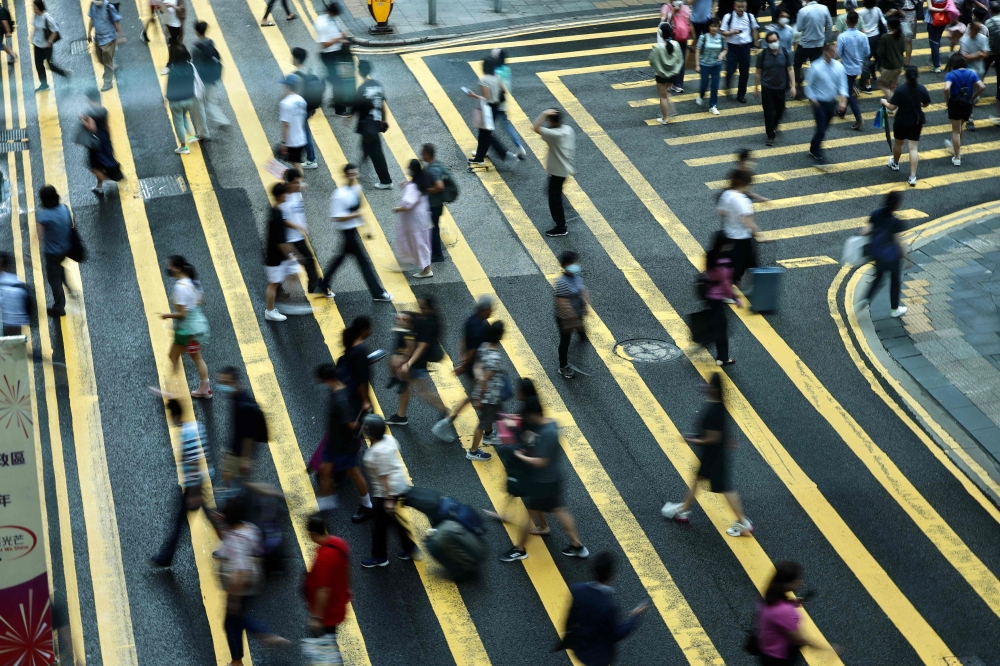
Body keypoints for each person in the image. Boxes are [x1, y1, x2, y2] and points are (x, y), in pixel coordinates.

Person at [661, 373, 753, 536]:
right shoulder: (721, 406)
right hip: (714, 454)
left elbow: (712, 438)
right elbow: (722, 433)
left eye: (709, 384)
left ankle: (742, 522)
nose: (705, 386)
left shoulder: (713, 411)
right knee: (698, 480)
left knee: (725, 488)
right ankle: (684, 510)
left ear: (714, 389)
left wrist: (692, 440)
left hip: (713, 456)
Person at [499, 395, 588, 561]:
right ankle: (577, 546)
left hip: (542, 481)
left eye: (528, 416)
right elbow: (535, 443)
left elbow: (541, 461)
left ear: (534, 414)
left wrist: (520, 456)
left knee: (529, 515)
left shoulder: (545, 433)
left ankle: (519, 549)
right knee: (559, 509)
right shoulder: (552, 424)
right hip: (554, 477)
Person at [212, 494, 288, 666]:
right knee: (236, 619)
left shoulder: (233, 540)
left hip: (240, 586)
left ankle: (257, 641)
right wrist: (219, 522)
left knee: (232, 622)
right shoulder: (249, 528)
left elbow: (239, 571)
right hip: (256, 578)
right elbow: (255, 549)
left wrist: (234, 599)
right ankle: (262, 636)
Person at [434, 320, 509, 462]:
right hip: (489, 395)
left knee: (490, 416)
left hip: (485, 392)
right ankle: (473, 451)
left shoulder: (483, 347)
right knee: (482, 422)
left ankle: (489, 434)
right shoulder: (495, 356)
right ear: (500, 336)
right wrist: (480, 396)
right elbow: (486, 379)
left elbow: (477, 368)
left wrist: (478, 386)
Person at [559, 552, 649, 666]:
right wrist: (635, 616)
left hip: (579, 648)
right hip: (599, 657)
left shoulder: (577, 590)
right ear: (611, 574)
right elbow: (617, 634)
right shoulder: (608, 607)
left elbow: (570, 618)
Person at [319, 164, 392, 302]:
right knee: (363, 261)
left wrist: (366, 227)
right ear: (346, 175)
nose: (354, 176)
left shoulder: (357, 189)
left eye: (355, 173)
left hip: (353, 230)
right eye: (351, 174)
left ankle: (323, 284)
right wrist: (354, 216)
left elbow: (359, 211)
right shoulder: (339, 195)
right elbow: (336, 217)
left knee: (340, 258)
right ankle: (377, 293)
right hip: (347, 232)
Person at [148, 399, 207, 568]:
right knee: (209, 516)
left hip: (193, 486)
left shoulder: (187, 434)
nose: (170, 420)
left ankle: (165, 558)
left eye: (171, 416)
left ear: (176, 415)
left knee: (179, 523)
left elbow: (195, 462)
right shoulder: (195, 427)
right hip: (196, 483)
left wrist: (195, 493)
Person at [314, 363, 373, 521]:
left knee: (355, 473)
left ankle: (367, 506)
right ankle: (324, 505)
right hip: (334, 442)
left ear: (326, 380)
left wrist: (365, 424)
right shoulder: (339, 388)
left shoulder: (340, 399)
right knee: (326, 470)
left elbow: (351, 424)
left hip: (344, 445)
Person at [360, 414, 419, 568]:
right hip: (399, 484)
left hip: (387, 492)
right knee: (389, 521)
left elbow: (385, 476)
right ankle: (410, 548)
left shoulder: (374, 454)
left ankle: (380, 557)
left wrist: (388, 499)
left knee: (380, 524)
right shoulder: (389, 440)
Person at [755, 562, 842, 664]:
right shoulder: (784, 611)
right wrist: (827, 649)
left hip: (766, 649)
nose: (800, 582)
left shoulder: (767, 597)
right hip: (778, 658)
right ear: (788, 584)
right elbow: (798, 639)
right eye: (797, 580)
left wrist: (792, 603)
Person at [385, 297, 450, 426]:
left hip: (417, 362)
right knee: (407, 387)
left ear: (430, 308)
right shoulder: (428, 319)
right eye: (420, 306)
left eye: (423, 307)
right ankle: (401, 416)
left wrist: (408, 364)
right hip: (416, 361)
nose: (420, 309)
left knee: (422, 392)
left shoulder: (429, 323)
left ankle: (446, 411)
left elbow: (421, 346)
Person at [162, 255, 211, 397]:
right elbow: (201, 300)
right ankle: (205, 389)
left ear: (176, 269)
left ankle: (172, 390)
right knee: (197, 357)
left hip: (186, 329)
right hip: (197, 326)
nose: (168, 269)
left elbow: (182, 314)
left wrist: (167, 315)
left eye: (169, 267)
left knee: (173, 356)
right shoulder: (193, 282)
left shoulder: (180, 287)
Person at [857, 191, 907, 317]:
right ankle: (894, 309)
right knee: (895, 281)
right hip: (892, 258)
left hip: (877, 255)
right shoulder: (896, 222)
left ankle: (865, 299)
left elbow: (865, 231)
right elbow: (897, 242)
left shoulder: (876, 214)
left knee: (878, 277)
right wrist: (905, 257)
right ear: (896, 205)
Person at [216, 366, 268, 483]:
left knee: (228, 474)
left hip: (241, 449)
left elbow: (248, 435)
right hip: (236, 444)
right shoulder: (238, 395)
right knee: (245, 483)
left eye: (226, 383)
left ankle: (232, 496)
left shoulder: (242, 405)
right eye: (221, 382)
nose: (223, 386)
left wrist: (245, 459)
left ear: (234, 382)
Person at [304, 515, 351, 641]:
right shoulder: (339, 543)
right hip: (338, 599)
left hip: (327, 611)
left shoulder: (324, 558)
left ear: (313, 533)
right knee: (329, 641)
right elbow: (345, 567)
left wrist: (317, 618)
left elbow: (322, 590)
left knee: (326, 645)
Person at [466, 55, 518, 166]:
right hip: (496, 107)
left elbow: (486, 98)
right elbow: (504, 90)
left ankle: (504, 155)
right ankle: (480, 156)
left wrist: (473, 95)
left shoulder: (484, 80)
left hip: (487, 109)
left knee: (486, 135)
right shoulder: (497, 77)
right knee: (485, 134)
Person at [882, 66, 930, 186]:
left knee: (899, 143)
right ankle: (912, 176)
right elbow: (926, 103)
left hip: (901, 121)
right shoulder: (921, 89)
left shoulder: (901, 90)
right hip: (916, 121)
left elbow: (892, 107)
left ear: (906, 76)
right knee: (913, 148)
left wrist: (884, 102)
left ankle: (895, 163)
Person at [533, 108, 576, 238]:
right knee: (554, 193)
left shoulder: (554, 135)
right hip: (565, 169)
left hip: (558, 172)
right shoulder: (568, 129)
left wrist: (544, 113)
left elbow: (535, 127)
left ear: (551, 121)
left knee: (554, 198)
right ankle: (566, 212)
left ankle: (561, 226)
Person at [804, 41, 848, 162]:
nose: (835, 54)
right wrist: (813, 100)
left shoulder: (839, 67)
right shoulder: (816, 66)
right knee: (821, 129)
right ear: (826, 52)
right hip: (819, 103)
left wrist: (843, 101)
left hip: (831, 102)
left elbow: (843, 85)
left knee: (823, 128)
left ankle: (813, 147)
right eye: (833, 52)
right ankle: (817, 152)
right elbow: (808, 85)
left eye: (835, 51)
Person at [263, 182, 299, 322]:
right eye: (284, 194)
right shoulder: (277, 215)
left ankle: (272, 308)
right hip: (274, 257)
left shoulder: (276, 210)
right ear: (279, 196)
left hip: (274, 255)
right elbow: (280, 242)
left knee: (276, 283)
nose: (287, 196)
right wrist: (290, 255)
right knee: (273, 284)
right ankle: (270, 311)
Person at [164, 44, 209, 155]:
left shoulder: (173, 71)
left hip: (176, 101)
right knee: (183, 114)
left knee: (178, 122)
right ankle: (190, 131)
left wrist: (167, 99)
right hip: (189, 99)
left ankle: (183, 147)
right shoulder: (190, 66)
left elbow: (170, 88)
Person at [718, 169, 760, 285]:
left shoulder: (727, 194)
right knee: (751, 264)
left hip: (729, 235)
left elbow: (721, 212)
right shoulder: (742, 201)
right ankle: (753, 288)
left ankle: (729, 289)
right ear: (745, 184)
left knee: (732, 265)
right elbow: (748, 223)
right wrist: (759, 235)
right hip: (743, 239)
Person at [354, 60, 392, 190]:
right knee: (366, 147)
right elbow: (382, 104)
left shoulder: (362, 88)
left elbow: (356, 107)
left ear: (359, 71)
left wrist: (349, 116)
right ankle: (360, 170)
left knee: (376, 153)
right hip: (375, 124)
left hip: (367, 126)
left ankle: (385, 180)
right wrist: (384, 119)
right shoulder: (377, 85)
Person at [280, 169, 320, 293]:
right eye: (295, 183)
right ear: (288, 183)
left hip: (298, 236)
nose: (298, 185)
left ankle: (314, 285)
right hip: (287, 239)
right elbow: (283, 220)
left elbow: (299, 213)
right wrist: (299, 227)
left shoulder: (297, 194)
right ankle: (277, 289)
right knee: (283, 265)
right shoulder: (283, 199)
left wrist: (304, 226)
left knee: (309, 259)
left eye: (299, 183)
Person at [35, 185, 72, 317]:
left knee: (53, 280)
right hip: (66, 248)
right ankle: (66, 281)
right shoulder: (64, 208)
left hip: (52, 253)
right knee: (57, 268)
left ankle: (59, 307)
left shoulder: (42, 216)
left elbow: (40, 236)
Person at [393, 159, 433, 279]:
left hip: (414, 222)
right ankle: (405, 263)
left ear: (413, 170)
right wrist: (406, 185)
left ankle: (426, 269)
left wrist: (396, 209)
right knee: (411, 241)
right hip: (419, 220)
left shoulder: (414, 186)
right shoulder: (421, 181)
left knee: (417, 243)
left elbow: (407, 205)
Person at [754, 30, 795, 145]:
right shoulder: (762, 55)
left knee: (780, 110)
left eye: (775, 41)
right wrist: (756, 87)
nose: (773, 43)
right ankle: (770, 135)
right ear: (767, 43)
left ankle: (775, 123)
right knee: (768, 112)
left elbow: (790, 69)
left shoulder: (785, 53)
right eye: (771, 41)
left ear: (779, 40)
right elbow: (758, 72)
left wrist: (793, 86)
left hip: (781, 87)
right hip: (767, 87)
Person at [80, 87, 123, 196]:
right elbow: (107, 127)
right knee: (102, 163)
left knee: (93, 166)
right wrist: (108, 140)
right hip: (104, 139)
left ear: (89, 99)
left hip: (95, 142)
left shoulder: (90, 112)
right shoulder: (103, 110)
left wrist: (82, 120)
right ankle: (99, 186)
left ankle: (108, 180)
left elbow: (91, 128)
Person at [944, 55, 985, 165]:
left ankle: (957, 157)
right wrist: (973, 97)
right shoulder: (971, 73)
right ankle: (957, 149)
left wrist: (947, 101)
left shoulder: (951, 74)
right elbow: (982, 86)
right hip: (967, 103)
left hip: (955, 103)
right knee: (960, 127)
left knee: (956, 130)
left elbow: (946, 88)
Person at [555, 250, 589, 380]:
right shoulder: (562, 282)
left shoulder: (576, 276)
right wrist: (573, 318)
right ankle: (563, 366)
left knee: (580, 327)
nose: (577, 265)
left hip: (577, 312)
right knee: (565, 341)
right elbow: (562, 304)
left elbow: (582, 290)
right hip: (565, 318)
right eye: (574, 263)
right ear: (566, 265)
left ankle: (582, 336)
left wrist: (585, 305)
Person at [490, 49, 528, 157]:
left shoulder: (495, 72)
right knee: (506, 125)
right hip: (504, 101)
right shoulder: (506, 69)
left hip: (495, 102)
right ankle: (520, 147)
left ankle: (483, 150)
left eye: (493, 55)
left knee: (486, 128)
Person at [721, 0, 760, 102]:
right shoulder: (728, 17)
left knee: (744, 73)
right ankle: (728, 82)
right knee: (730, 70)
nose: (741, 9)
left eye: (743, 7)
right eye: (738, 7)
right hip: (732, 47)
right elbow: (723, 32)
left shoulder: (750, 17)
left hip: (745, 48)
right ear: (734, 6)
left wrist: (755, 43)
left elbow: (754, 29)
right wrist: (732, 32)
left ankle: (741, 95)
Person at [316, 3, 352, 117]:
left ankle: (322, 90)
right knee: (338, 82)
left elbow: (333, 36)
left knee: (337, 78)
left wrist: (342, 41)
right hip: (329, 55)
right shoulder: (322, 24)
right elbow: (324, 44)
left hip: (336, 53)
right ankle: (339, 109)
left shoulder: (330, 19)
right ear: (332, 12)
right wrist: (339, 38)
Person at [191, 22, 229, 126]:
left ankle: (222, 121)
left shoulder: (197, 48)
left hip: (203, 79)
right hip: (212, 77)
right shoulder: (210, 43)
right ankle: (221, 120)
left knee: (207, 102)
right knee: (208, 100)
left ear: (196, 32)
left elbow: (195, 65)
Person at [793, 0, 833, 95]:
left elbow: (798, 28)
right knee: (816, 67)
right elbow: (829, 24)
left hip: (805, 44)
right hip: (819, 44)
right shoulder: (824, 8)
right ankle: (815, 89)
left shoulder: (803, 11)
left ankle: (799, 86)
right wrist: (825, 40)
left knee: (797, 64)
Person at [288, 47, 318, 170]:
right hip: (309, 107)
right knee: (304, 131)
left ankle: (311, 159)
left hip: (300, 109)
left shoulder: (295, 76)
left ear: (296, 58)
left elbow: (293, 95)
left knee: (305, 133)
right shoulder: (310, 72)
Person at [32, 1, 71, 93]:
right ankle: (44, 84)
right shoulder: (35, 16)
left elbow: (55, 31)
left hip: (46, 46)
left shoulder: (47, 18)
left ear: (38, 7)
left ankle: (64, 73)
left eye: (34, 6)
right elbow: (35, 28)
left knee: (49, 65)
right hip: (37, 45)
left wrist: (49, 41)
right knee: (38, 65)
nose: (33, 8)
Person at [420, 143, 449, 263]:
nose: (421, 155)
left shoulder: (433, 170)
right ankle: (435, 251)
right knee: (433, 227)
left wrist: (428, 190)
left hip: (434, 204)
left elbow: (440, 186)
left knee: (433, 228)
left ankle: (437, 254)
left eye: (422, 153)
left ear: (427, 154)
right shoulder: (436, 164)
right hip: (436, 203)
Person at [650, 23, 683, 124]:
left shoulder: (658, 47)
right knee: (667, 91)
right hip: (672, 75)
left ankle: (665, 118)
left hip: (660, 75)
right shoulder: (676, 44)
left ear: (660, 33)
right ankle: (670, 110)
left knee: (663, 96)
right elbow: (680, 59)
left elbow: (652, 61)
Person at [87, 0, 124, 91]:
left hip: (109, 39)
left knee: (107, 63)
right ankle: (112, 66)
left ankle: (108, 83)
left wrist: (120, 36)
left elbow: (116, 22)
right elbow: (92, 19)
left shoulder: (109, 7)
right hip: (98, 39)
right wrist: (88, 33)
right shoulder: (93, 5)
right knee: (100, 59)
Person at [959, 19, 989, 129]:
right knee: (969, 95)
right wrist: (978, 54)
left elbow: (985, 54)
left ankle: (969, 107)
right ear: (971, 28)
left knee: (975, 97)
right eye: (976, 29)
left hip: (980, 71)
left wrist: (974, 55)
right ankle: (970, 119)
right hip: (968, 72)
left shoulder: (983, 38)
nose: (978, 31)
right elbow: (965, 57)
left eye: (979, 29)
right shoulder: (964, 40)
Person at [455, 295, 493, 378]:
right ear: (484, 310)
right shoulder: (479, 329)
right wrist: (463, 366)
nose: (491, 311)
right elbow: (472, 352)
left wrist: (462, 361)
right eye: (489, 308)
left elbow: (463, 340)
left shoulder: (471, 320)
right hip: (476, 370)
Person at [278, 74, 308, 177]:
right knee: (296, 162)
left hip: (292, 141)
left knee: (296, 164)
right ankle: (298, 181)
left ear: (288, 86)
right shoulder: (301, 100)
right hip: (301, 138)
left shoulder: (285, 103)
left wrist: (284, 143)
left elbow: (286, 125)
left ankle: (299, 183)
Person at [695, 18, 727, 114]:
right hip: (704, 64)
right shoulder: (703, 37)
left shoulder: (721, 38)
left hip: (716, 65)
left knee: (715, 86)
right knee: (704, 84)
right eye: (712, 26)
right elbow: (697, 50)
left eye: (716, 26)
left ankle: (713, 105)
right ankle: (701, 95)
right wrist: (697, 65)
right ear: (709, 27)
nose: (714, 28)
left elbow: (725, 48)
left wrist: (722, 54)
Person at [661, 0, 691, 92]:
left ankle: (678, 84)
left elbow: (689, 23)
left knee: (681, 60)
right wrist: (672, 13)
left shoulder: (686, 8)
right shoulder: (666, 7)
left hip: (682, 38)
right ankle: (669, 82)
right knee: (670, 60)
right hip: (671, 38)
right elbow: (662, 22)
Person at [858, 0, 887, 90]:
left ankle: (866, 84)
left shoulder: (860, 12)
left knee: (865, 60)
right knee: (879, 58)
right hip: (877, 37)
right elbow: (884, 23)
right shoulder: (877, 10)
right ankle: (885, 79)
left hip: (865, 38)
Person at [876, 16, 906, 98]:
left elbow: (880, 52)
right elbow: (903, 49)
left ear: (889, 26)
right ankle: (892, 105)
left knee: (881, 83)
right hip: (899, 64)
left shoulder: (885, 37)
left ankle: (893, 102)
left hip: (889, 66)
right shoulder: (901, 36)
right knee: (892, 86)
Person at [0, 253, 29, 336]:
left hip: (12, 318)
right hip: (16, 318)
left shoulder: (9, 286)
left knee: (12, 336)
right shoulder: (15, 280)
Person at [927, 0, 955, 72]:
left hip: (933, 20)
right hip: (943, 19)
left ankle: (936, 65)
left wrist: (941, 9)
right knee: (938, 39)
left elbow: (930, 8)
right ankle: (935, 61)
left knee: (934, 42)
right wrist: (944, 10)